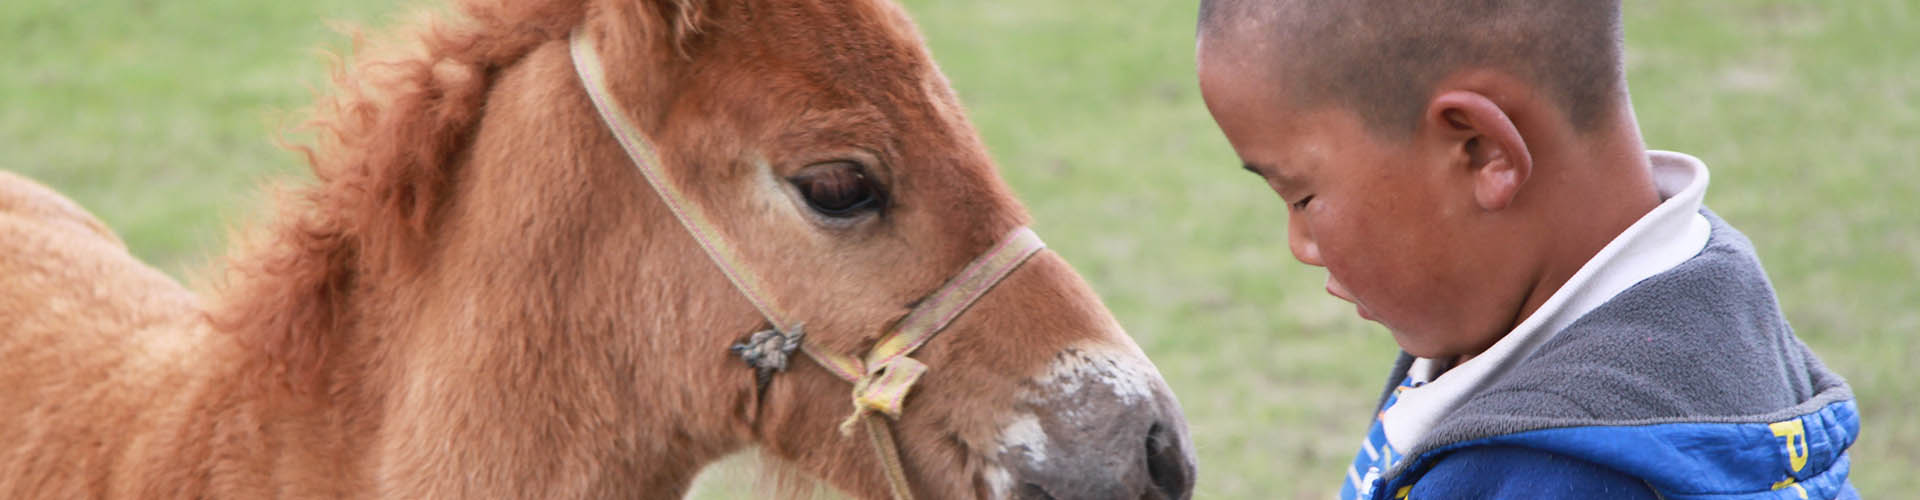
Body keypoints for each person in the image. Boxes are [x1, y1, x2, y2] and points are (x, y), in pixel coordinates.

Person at [1192, 1, 1860, 498]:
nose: (1300, 246)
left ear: (1480, 151)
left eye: (1302, 196)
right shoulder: (1717, 298)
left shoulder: (1556, 475)